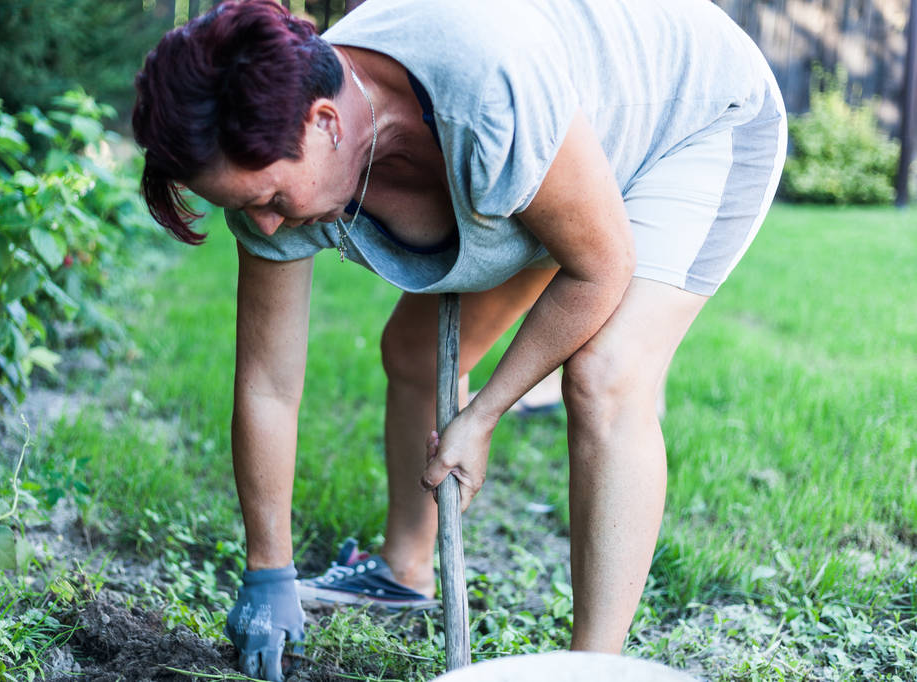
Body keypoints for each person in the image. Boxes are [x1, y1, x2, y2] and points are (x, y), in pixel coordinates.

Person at [132, 0, 787, 678]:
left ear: (325, 123)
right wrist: (268, 569)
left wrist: (484, 412)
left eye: (269, 201)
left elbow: (597, 267)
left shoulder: (485, 91)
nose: (265, 227)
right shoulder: (277, 150)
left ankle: (595, 664)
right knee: (413, 353)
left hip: (689, 116)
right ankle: (404, 570)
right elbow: (268, 384)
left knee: (605, 374)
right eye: (242, 207)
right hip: (554, 144)